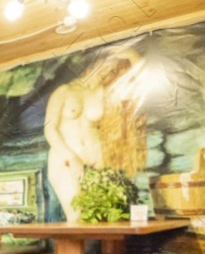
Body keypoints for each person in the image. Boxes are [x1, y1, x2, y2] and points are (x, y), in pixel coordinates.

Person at [44, 48, 141, 222]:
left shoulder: (103, 93)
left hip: (97, 163)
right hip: (66, 161)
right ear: (94, 62)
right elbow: (50, 130)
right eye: (105, 65)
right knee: (77, 216)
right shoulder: (64, 91)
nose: (107, 72)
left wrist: (131, 55)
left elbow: (138, 85)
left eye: (112, 70)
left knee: (107, 216)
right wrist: (72, 157)